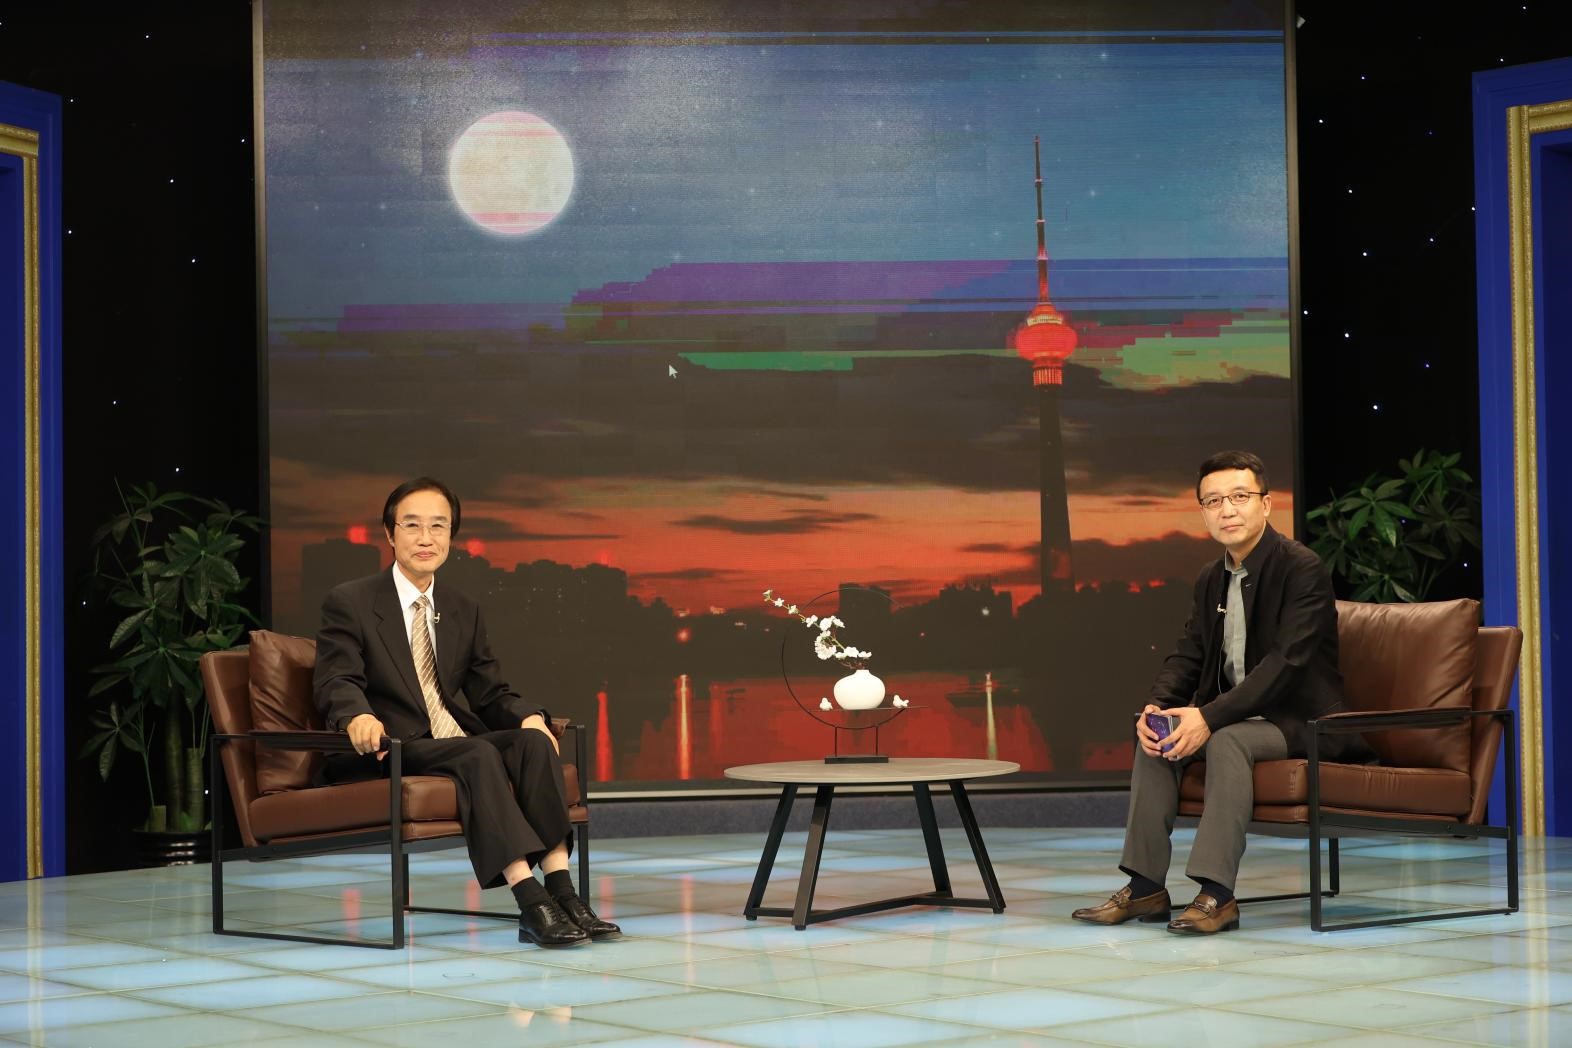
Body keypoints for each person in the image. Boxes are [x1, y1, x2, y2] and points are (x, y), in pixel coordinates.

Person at [1071, 451, 1372, 935]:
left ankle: (1217, 895)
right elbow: (1188, 653)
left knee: (1227, 739)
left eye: (1239, 497)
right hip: (1238, 715)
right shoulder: (1211, 577)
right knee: (1159, 734)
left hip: (1303, 721)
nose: (1226, 510)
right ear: (1203, 512)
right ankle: (1145, 885)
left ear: (1266, 504)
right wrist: (1157, 706)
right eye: (1213, 501)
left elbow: (1287, 665)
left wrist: (1209, 717)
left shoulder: (1302, 568)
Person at [313, 476, 620, 949]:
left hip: (450, 741)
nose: (426, 538)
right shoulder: (351, 601)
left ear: (451, 536)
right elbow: (337, 678)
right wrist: (356, 716)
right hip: (393, 746)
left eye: (438, 526)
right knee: (476, 753)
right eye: (412, 525)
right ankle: (530, 901)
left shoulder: (462, 608)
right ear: (390, 534)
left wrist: (528, 717)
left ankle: (564, 893)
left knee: (533, 741)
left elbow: (488, 691)